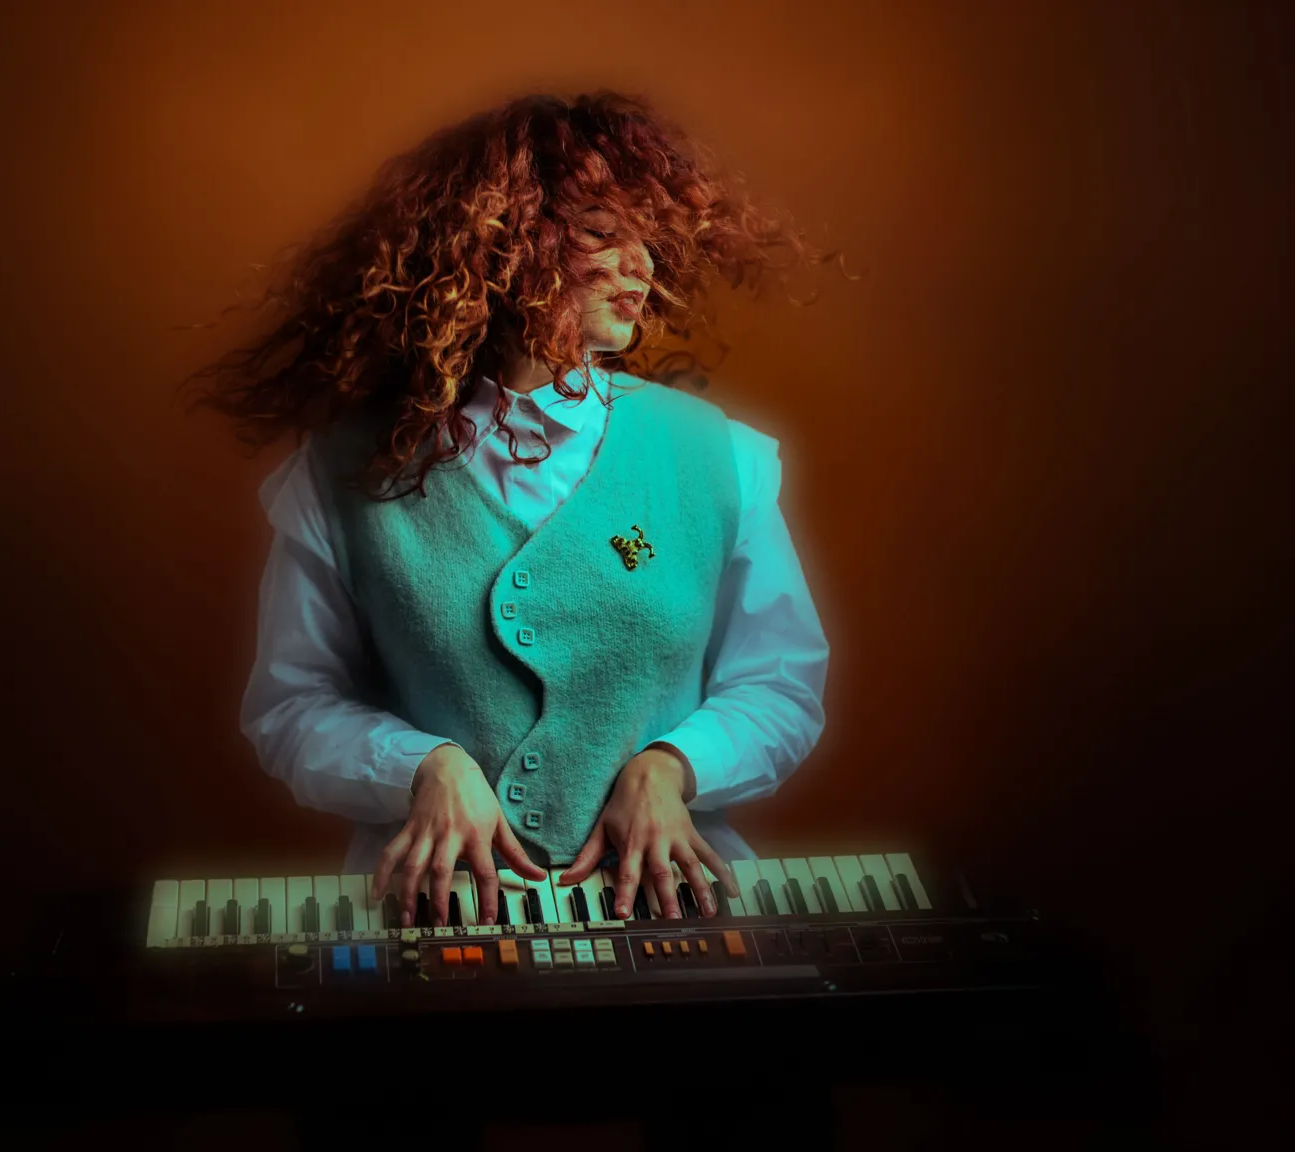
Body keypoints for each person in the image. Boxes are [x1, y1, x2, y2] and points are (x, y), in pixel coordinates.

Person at [181, 90, 846, 933]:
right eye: (603, 232)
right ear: (501, 242)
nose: (641, 266)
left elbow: (780, 684)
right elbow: (290, 704)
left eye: (649, 236)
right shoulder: (337, 474)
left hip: (679, 910)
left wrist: (674, 767)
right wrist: (419, 766)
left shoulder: (724, 458)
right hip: (434, 920)